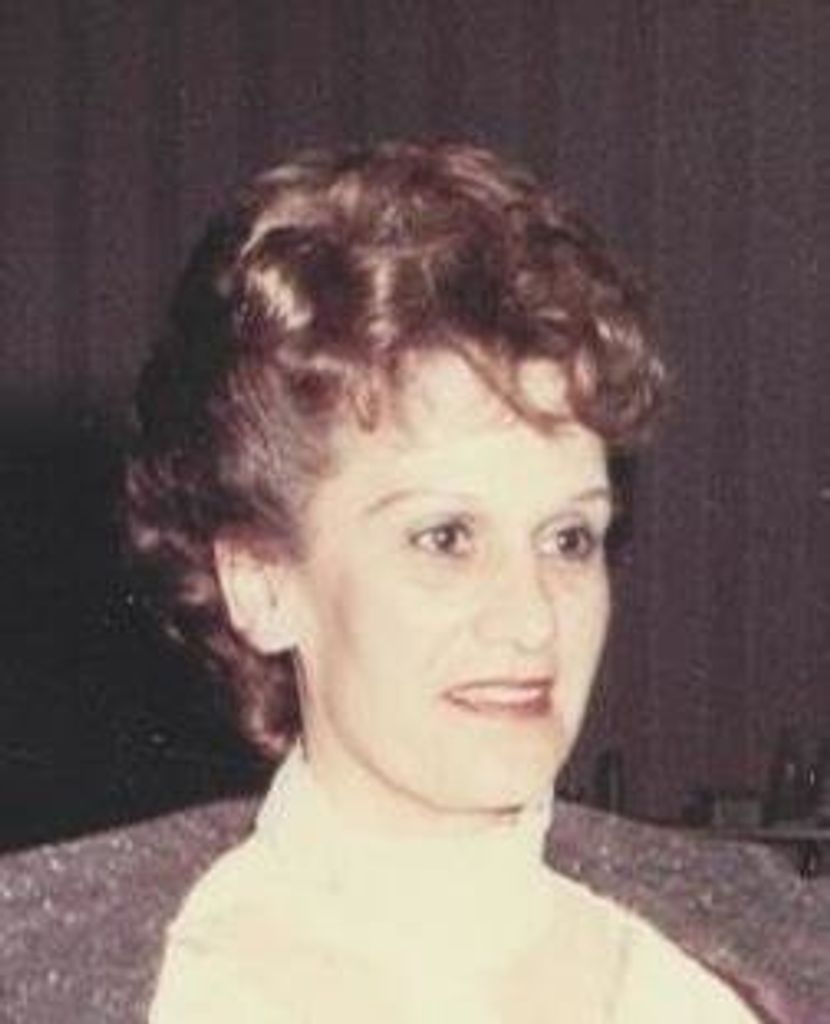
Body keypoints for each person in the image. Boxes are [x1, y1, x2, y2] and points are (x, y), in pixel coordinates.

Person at [126, 142, 758, 1023]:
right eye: (447, 538)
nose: (532, 620)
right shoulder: (178, 990)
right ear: (263, 581)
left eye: (568, 538)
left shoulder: (708, 985)